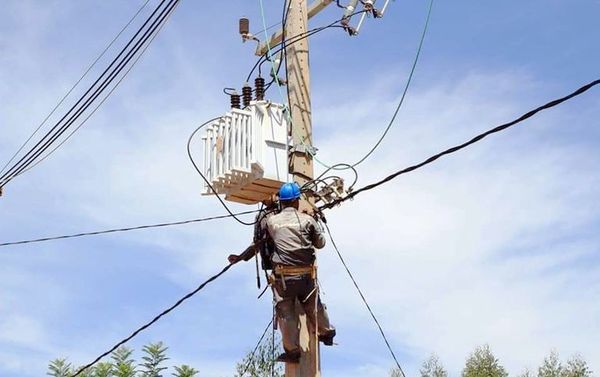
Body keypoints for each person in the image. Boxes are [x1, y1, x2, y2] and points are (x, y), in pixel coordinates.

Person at [266, 182, 335, 363]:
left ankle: (293, 352)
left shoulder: (272, 221)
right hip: (306, 277)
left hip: (283, 279)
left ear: (281, 202)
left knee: (286, 314)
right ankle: (326, 333)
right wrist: (315, 220)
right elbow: (320, 243)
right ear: (297, 201)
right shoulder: (307, 220)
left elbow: (274, 238)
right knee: (314, 307)